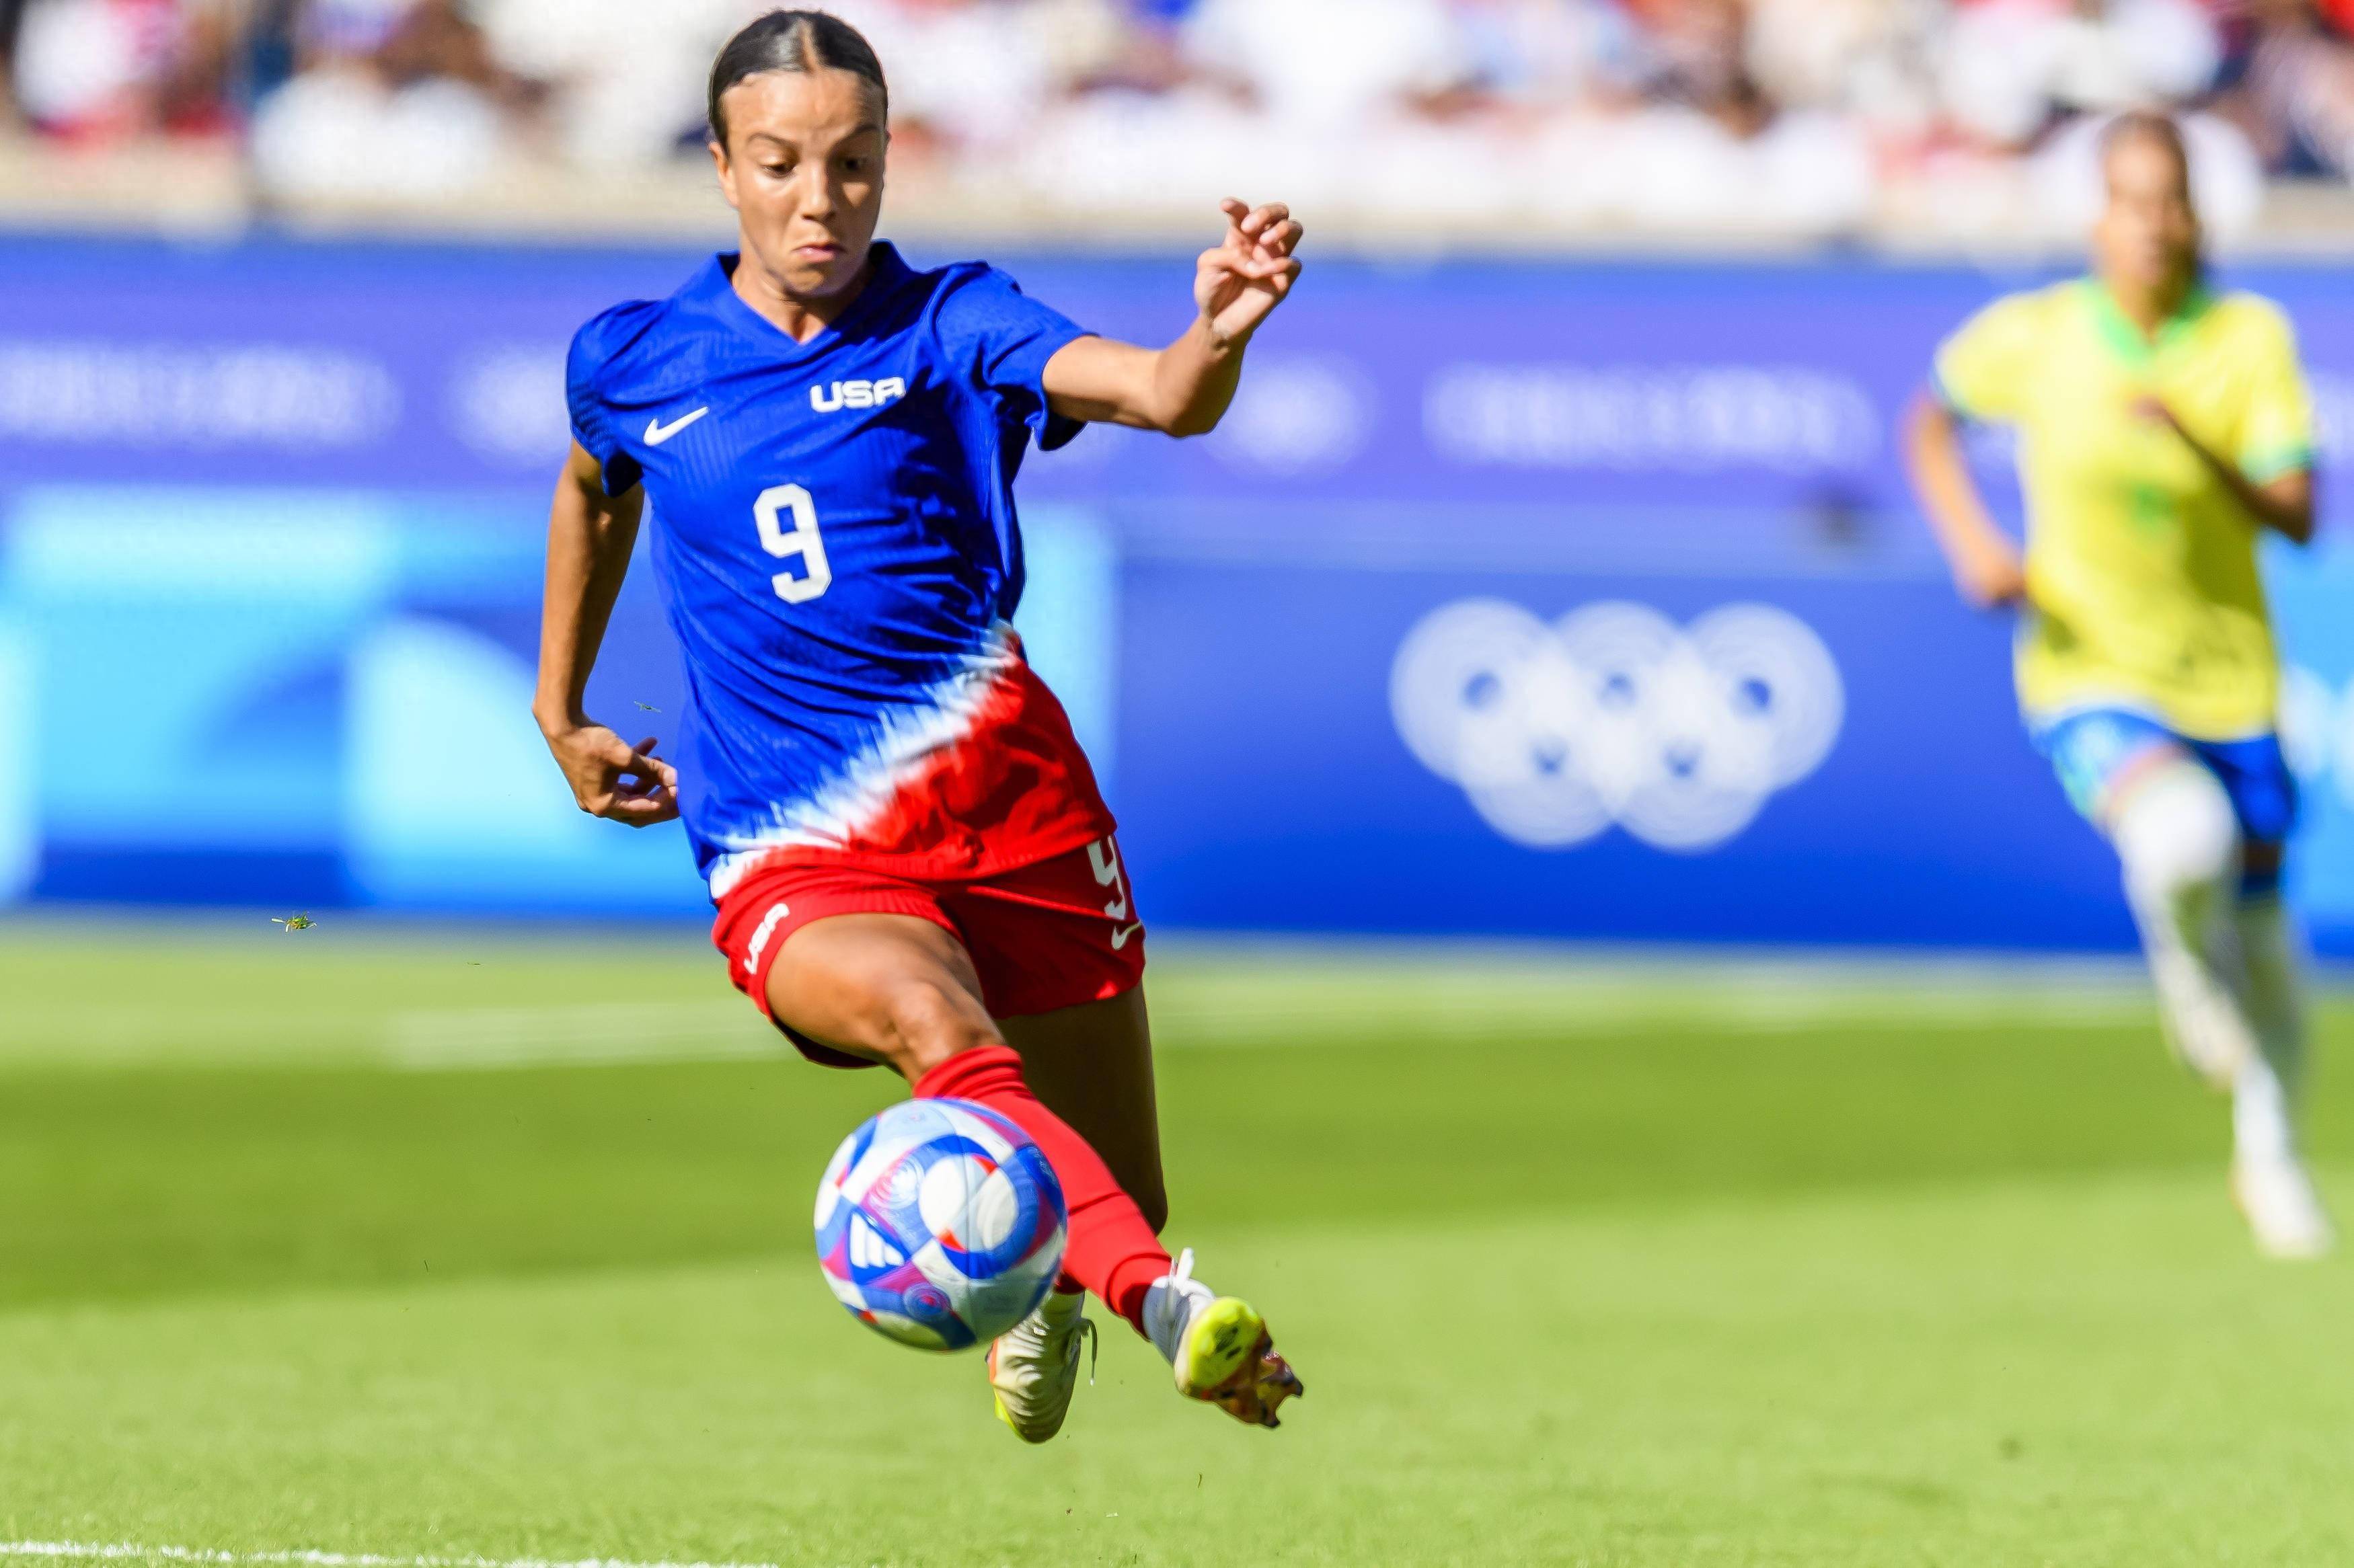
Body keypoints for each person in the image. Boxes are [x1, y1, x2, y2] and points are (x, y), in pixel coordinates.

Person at [532, 9, 1308, 1434]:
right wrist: (559, 705)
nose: (818, 200)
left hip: (1013, 812)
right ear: (720, 166)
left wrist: (1215, 329)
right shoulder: (635, 357)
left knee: (1116, 1191)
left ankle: (1058, 1279)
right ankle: (1168, 1307)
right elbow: (593, 486)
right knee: (924, 1014)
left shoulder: (955, 321)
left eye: (853, 164)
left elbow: (1159, 395)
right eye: (780, 164)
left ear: (888, 164)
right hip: (795, 845)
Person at [1904, 111, 2330, 1259]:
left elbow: (2300, 516)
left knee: (2271, 949)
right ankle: (2189, 984)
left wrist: (2195, 443)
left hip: (2230, 679)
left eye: (2170, 201)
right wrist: (1974, 545)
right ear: (2098, 217)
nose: (2151, 224)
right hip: (2089, 663)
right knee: (2181, 841)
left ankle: (2271, 1155)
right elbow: (1930, 422)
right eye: (2130, 201)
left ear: (2195, 215)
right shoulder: (2038, 335)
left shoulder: (2244, 339)